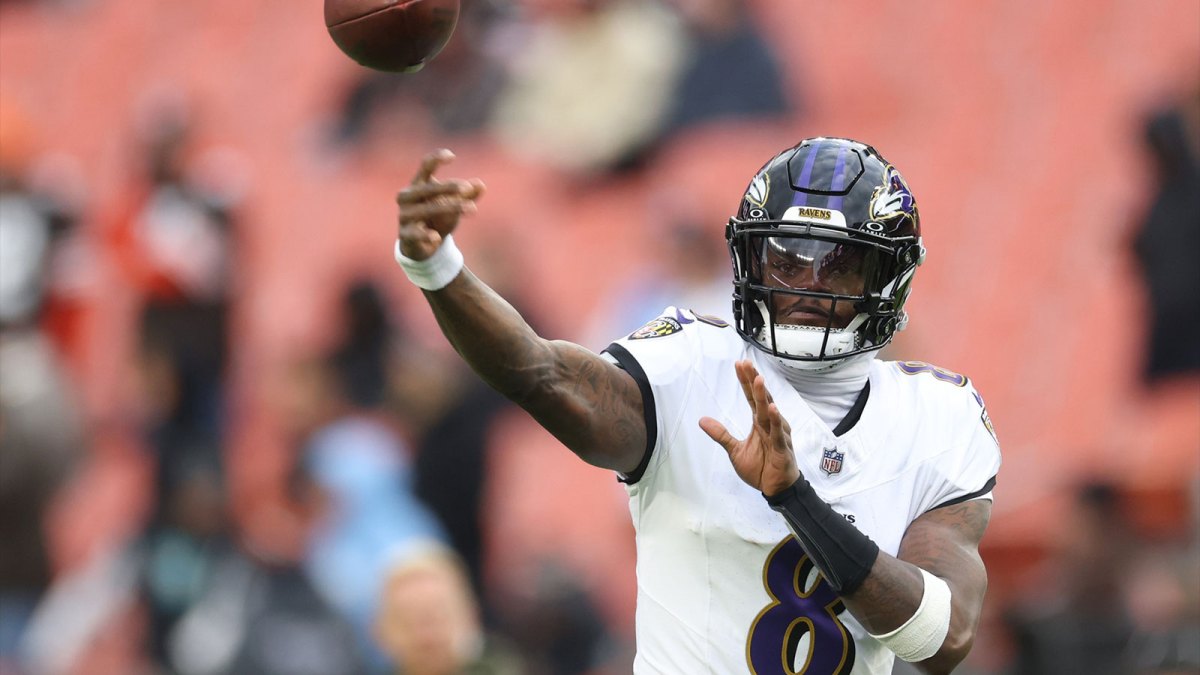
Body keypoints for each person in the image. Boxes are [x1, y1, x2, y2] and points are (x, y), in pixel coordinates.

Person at [390, 138, 1001, 674]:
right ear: (749, 259)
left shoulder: (937, 415)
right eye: (786, 258)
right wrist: (439, 268)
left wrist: (796, 500)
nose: (807, 285)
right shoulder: (688, 363)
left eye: (838, 263)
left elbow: (941, 639)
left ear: (886, 277)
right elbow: (541, 373)